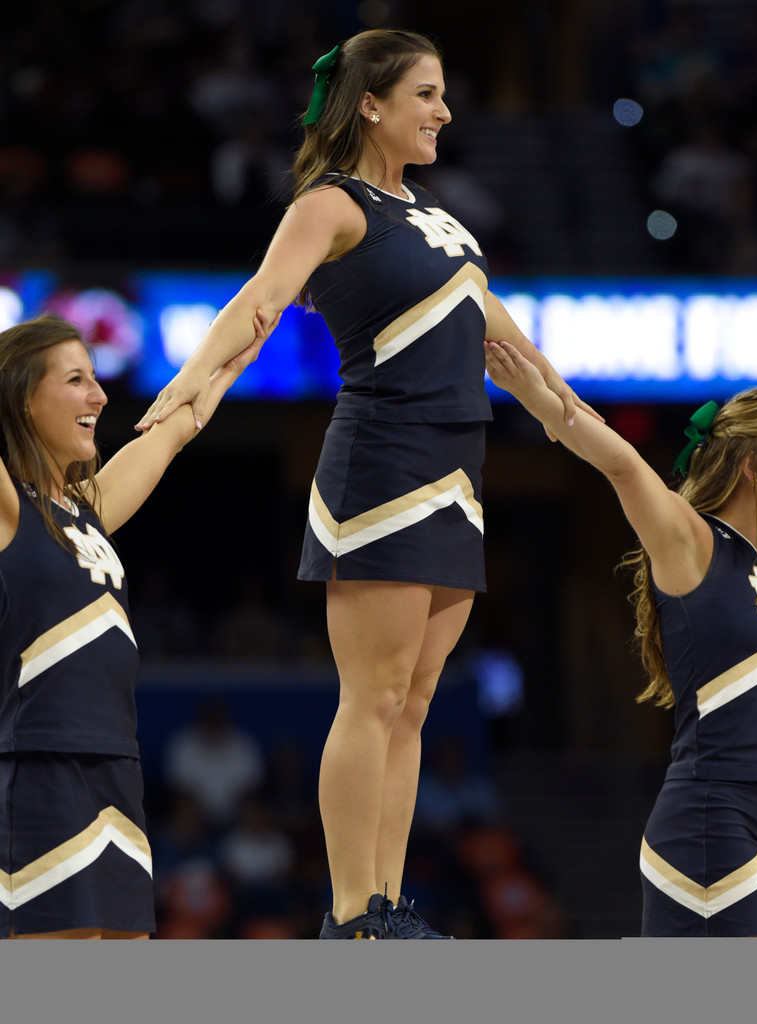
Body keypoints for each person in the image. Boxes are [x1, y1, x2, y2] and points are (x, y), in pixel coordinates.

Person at [134, 28, 593, 940]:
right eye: (426, 93)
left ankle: (386, 903)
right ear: (371, 104)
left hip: (458, 473)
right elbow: (259, 301)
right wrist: (191, 384)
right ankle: (349, 916)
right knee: (373, 695)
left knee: (416, 702)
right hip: (382, 458)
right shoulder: (331, 205)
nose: (444, 111)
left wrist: (587, 432)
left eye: (445, 93)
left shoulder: (442, 219)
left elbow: (510, 348)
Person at [484, 337, 757, 936]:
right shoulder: (692, 543)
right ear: (755, 464)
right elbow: (622, 463)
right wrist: (535, 395)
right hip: (711, 826)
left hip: (749, 829)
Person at [0, 312, 264, 939]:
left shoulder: (87, 510)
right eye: (75, 380)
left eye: (96, 378)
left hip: (117, 769)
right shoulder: (8, 504)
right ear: (21, 399)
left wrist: (225, 361)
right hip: (40, 764)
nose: (99, 395)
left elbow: (173, 432)